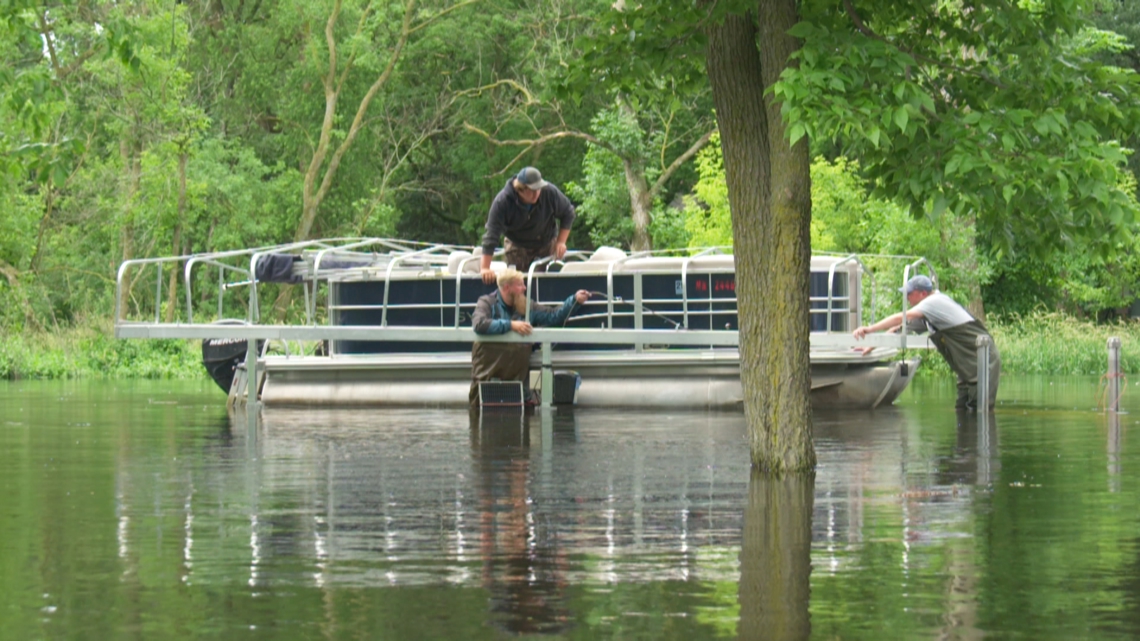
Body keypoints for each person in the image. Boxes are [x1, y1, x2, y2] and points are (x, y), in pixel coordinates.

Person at [853, 274, 1000, 410]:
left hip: (982, 363)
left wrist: (870, 329)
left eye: (909, 294)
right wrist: (870, 346)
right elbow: (898, 330)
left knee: (980, 411)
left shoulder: (934, 302)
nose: (907, 298)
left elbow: (902, 317)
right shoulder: (930, 316)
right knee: (962, 408)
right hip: (966, 368)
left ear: (923, 294)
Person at [470, 268, 590, 405]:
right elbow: (479, 324)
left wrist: (574, 301)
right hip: (486, 378)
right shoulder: (486, 302)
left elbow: (552, 316)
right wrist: (511, 325)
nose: (524, 288)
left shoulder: (527, 305)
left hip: (516, 382)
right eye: (520, 284)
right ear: (507, 287)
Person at [480, 166, 576, 284]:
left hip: (547, 242)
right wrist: (485, 268)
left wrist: (561, 242)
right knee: (518, 284)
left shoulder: (549, 192)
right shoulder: (503, 202)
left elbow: (568, 212)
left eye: (539, 189)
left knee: (550, 282)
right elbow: (491, 235)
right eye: (532, 190)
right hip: (517, 246)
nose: (536, 193)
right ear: (520, 189)